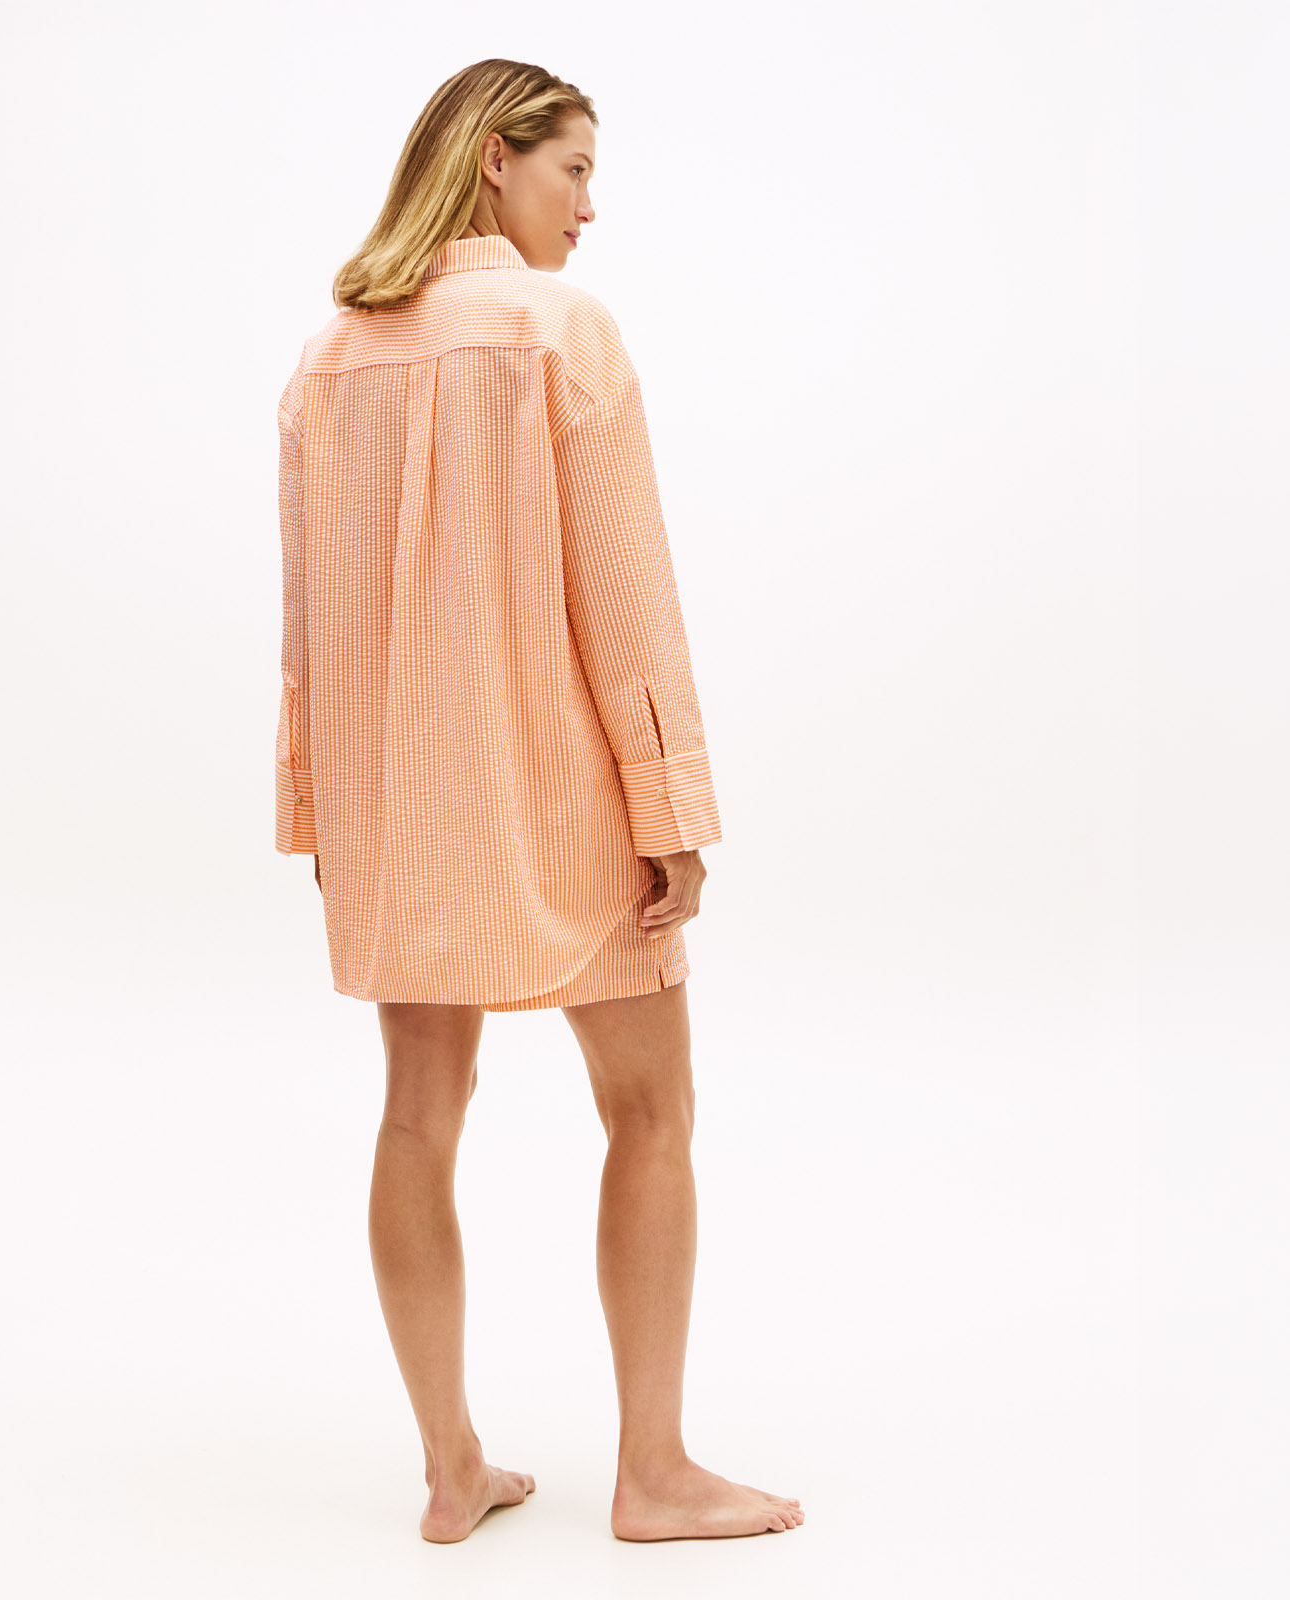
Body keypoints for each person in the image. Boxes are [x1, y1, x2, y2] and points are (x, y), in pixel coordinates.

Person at [275, 58, 804, 1544]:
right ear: (495, 161)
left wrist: (321, 813)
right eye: (575, 168)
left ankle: (451, 1470)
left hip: (401, 803)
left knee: (417, 1117)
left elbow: (310, 620)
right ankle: (656, 1474)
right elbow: (625, 592)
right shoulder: (562, 328)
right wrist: (670, 803)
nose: (590, 205)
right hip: (565, 789)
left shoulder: (326, 361)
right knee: (652, 1109)